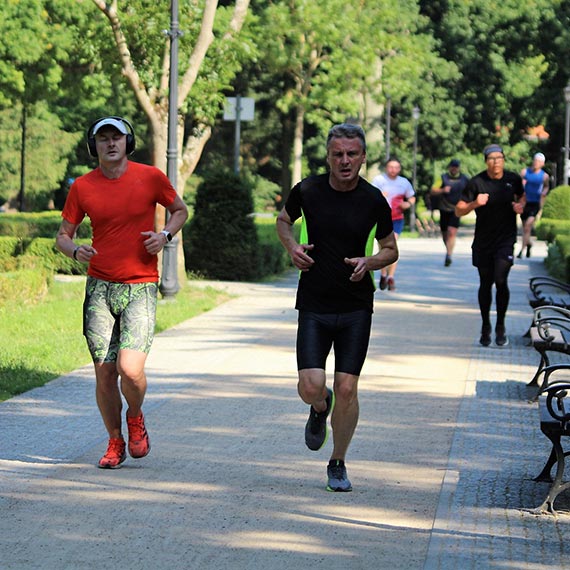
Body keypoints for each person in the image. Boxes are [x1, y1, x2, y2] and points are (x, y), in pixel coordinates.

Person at [55, 116, 188, 469]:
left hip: (141, 285)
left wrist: (165, 237)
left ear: (128, 142)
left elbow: (179, 210)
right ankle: (115, 441)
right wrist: (74, 251)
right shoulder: (83, 187)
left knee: (130, 369)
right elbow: (62, 236)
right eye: (103, 139)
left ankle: (136, 415)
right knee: (104, 371)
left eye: (117, 137)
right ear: (93, 146)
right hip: (100, 287)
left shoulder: (150, 177)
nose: (110, 143)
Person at [276, 123, 398, 492]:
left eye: (352, 154)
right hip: (313, 302)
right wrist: (292, 247)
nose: (345, 161)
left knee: (348, 388)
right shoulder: (307, 191)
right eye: (337, 154)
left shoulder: (373, 199)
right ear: (328, 157)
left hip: (356, 306)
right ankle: (318, 406)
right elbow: (283, 221)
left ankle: (338, 462)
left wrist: (371, 262)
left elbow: (390, 248)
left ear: (362, 157)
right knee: (310, 386)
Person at [455, 144, 525, 347]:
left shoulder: (512, 180)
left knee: (500, 280)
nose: (496, 162)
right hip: (483, 242)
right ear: (486, 161)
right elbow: (459, 210)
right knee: (485, 283)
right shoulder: (477, 182)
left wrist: (520, 206)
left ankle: (501, 326)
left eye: (499, 158)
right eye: (492, 158)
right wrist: (474, 204)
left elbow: (522, 197)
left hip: (505, 240)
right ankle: (486, 325)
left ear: (504, 160)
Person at [371, 158, 415, 291]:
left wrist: (407, 204)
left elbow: (411, 197)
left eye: (396, 167)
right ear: (386, 167)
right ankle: (383, 274)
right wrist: (379, 196)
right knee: (382, 246)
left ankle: (391, 277)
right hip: (381, 218)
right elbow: (369, 197)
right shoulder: (379, 180)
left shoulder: (404, 182)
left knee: (392, 245)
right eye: (391, 167)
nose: (393, 170)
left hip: (397, 218)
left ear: (400, 169)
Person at [430, 159, 469, 266]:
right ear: (449, 167)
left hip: (457, 209)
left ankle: (448, 255)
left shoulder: (465, 179)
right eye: (452, 166)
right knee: (445, 234)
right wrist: (442, 190)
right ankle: (448, 249)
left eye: (456, 167)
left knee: (452, 232)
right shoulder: (443, 178)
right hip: (444, 209)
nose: (454, 169)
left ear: (459, 168)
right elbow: (433, 190)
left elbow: (471, 190)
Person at [517, 152, 549, 259]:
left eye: (539, 161)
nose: (536, 163)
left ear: (542, 164)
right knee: (525, 228)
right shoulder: (525, 172)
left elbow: (546, 187)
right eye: (535, 160)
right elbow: (518, 183)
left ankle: (521, 251)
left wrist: (544, 193)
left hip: (535, 204)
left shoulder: (544, 176)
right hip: (525, 202)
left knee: (527, 226)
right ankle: (529, 244)